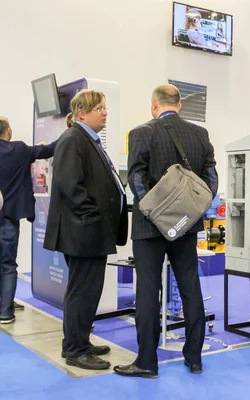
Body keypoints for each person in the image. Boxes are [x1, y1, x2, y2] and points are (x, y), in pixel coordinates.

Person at [114, 84, 218, 378]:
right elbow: (210, 181)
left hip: (150, 227)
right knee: (190, 286)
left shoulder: (141, 133)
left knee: (148, 289)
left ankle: (146, 362)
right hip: (187, 225)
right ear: (179, 105)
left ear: (153, 105)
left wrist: (155, 212)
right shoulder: (200, 135)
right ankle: (194, 357)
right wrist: (189, 212)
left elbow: (135, 179)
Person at [43, 90, 128, 370]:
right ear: (81, 113)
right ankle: (75, 350)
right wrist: (92, 216)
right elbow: (70, 186)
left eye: (105, 107)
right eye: (99, 108)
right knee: (82, 291)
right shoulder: (73, 139)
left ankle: (81, 339)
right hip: (84, 230)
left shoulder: (87, 139)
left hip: (90, 230)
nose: (105, 112)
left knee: (88, 291)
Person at [0, 117, 55, 324]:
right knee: (7, 265)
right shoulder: (20, 150)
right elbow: (48, 150)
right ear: (9, 131)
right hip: (8, 218)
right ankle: (5, 311)